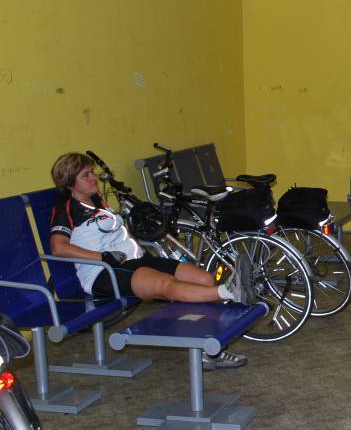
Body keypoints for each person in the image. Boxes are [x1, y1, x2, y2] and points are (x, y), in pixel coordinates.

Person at [48, 152, 247, 371]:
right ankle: (228, 292)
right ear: (70, 183)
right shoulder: (66, 208)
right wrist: (103, 257)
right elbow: (59, 247)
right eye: (85, 175)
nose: (93, 178)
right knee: (166, 285)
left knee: (204, 278)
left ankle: (210, 353)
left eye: (92, 173)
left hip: (137, 260)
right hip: (104, 272)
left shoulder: (96, 200)